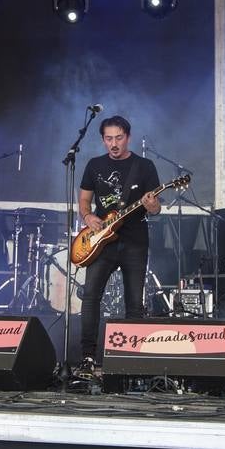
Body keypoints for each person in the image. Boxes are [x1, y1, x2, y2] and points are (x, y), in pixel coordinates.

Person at [76, 116, 161, 374]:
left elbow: (156, 209)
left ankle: (130, 358)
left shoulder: (144, 166)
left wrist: (152, 206)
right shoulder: (94, 165)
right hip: (102, 241)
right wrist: (88, 216)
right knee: (91, 297)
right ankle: (88, 357)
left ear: (128, 137)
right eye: (109, 138)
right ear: (103, 139)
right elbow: (84, 201)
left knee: (134, 301)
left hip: (135, 240)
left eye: (119, 138)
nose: (114, 144)